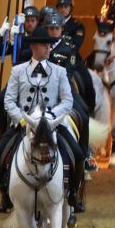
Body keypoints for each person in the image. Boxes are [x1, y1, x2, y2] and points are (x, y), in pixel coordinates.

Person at [0, 25, 82, 214]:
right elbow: (8, 100)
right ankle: (6, 195)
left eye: (49, 45)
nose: (49, 49)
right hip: (24, 124)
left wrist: (51, 117)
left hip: (52, 125)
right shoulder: (18, 71)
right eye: (45, 45)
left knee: (78, 154)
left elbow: (67, 101)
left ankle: (73, 192)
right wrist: (20, 119)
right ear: (34, 48)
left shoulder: (59, 71)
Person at [45, 11, 95, 192]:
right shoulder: (39, 45)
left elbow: (68, 72)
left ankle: (86, 153)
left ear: (62, 29)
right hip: (41, 93)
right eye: (50, 28)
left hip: (65, 91)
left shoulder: (68, 48)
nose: (53, 31)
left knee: (83, 114)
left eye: (56, 28)